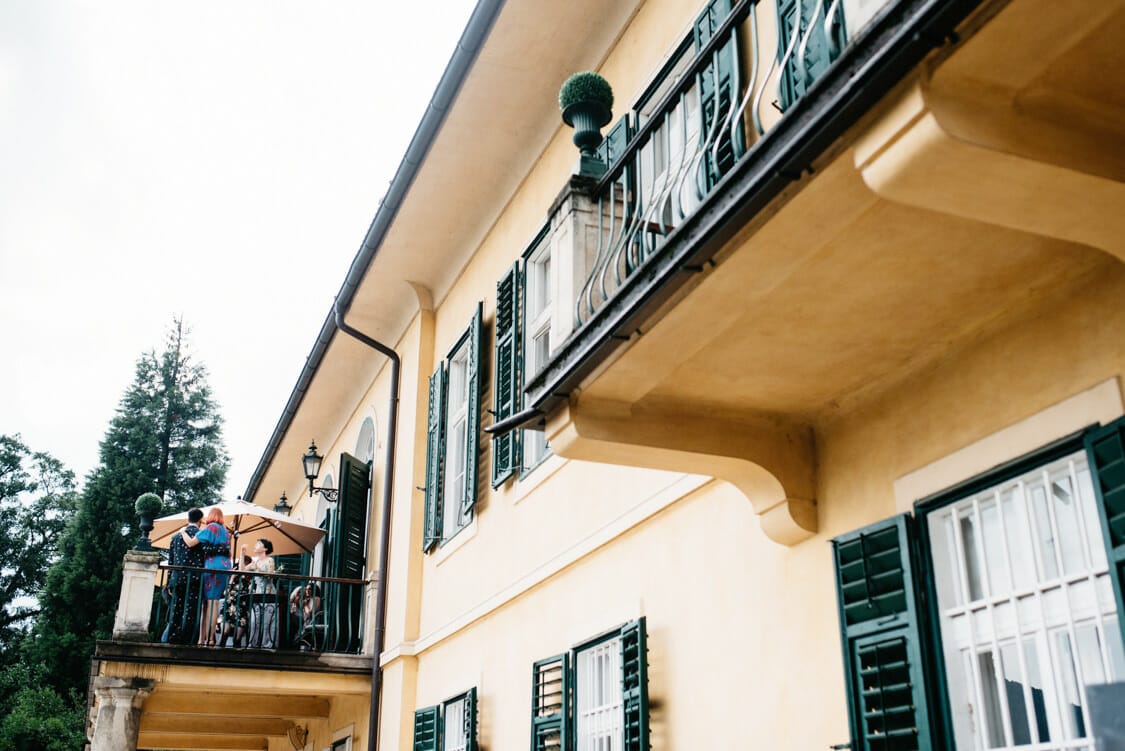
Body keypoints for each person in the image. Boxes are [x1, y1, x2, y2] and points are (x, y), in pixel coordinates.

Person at [181, 507, 231, 646]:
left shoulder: (211, 527)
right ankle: (203, 639)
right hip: (225, 566)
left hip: (212, 566)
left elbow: (190, 543)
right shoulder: (226, 531)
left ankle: (209, 639)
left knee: (210, 603)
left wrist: (183, 532)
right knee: (210, 603)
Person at [164, 508, 204, 644]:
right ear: (200, 521)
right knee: (191, 612)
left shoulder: (175, 537)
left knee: (176, 609)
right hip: (195, 578)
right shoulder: (201, 535)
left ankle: (172, 638)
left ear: (188, 519)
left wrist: (169, 582)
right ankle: (186, 640)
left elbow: (171, 561)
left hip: (177, 578)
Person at [242, 538, 277, 648]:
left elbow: (270, 575)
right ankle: (254, 644)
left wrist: (257, 568)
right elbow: (242, 570)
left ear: (265, 549)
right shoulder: (255, 562)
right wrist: (242, 554)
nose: (255, 545)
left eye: (258, 544)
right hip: (258, 593)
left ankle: (266, 645)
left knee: (267, 621)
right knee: (254, 621)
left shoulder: (270, 560)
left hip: (269, 592)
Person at [216, 555, 252, 647]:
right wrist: (232, 578)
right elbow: (225, 593)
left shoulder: (249, 579)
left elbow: (251, 592)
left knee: (237, 639)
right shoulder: (233, 577)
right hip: (229, 607)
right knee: (224, 633)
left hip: (242, 609)